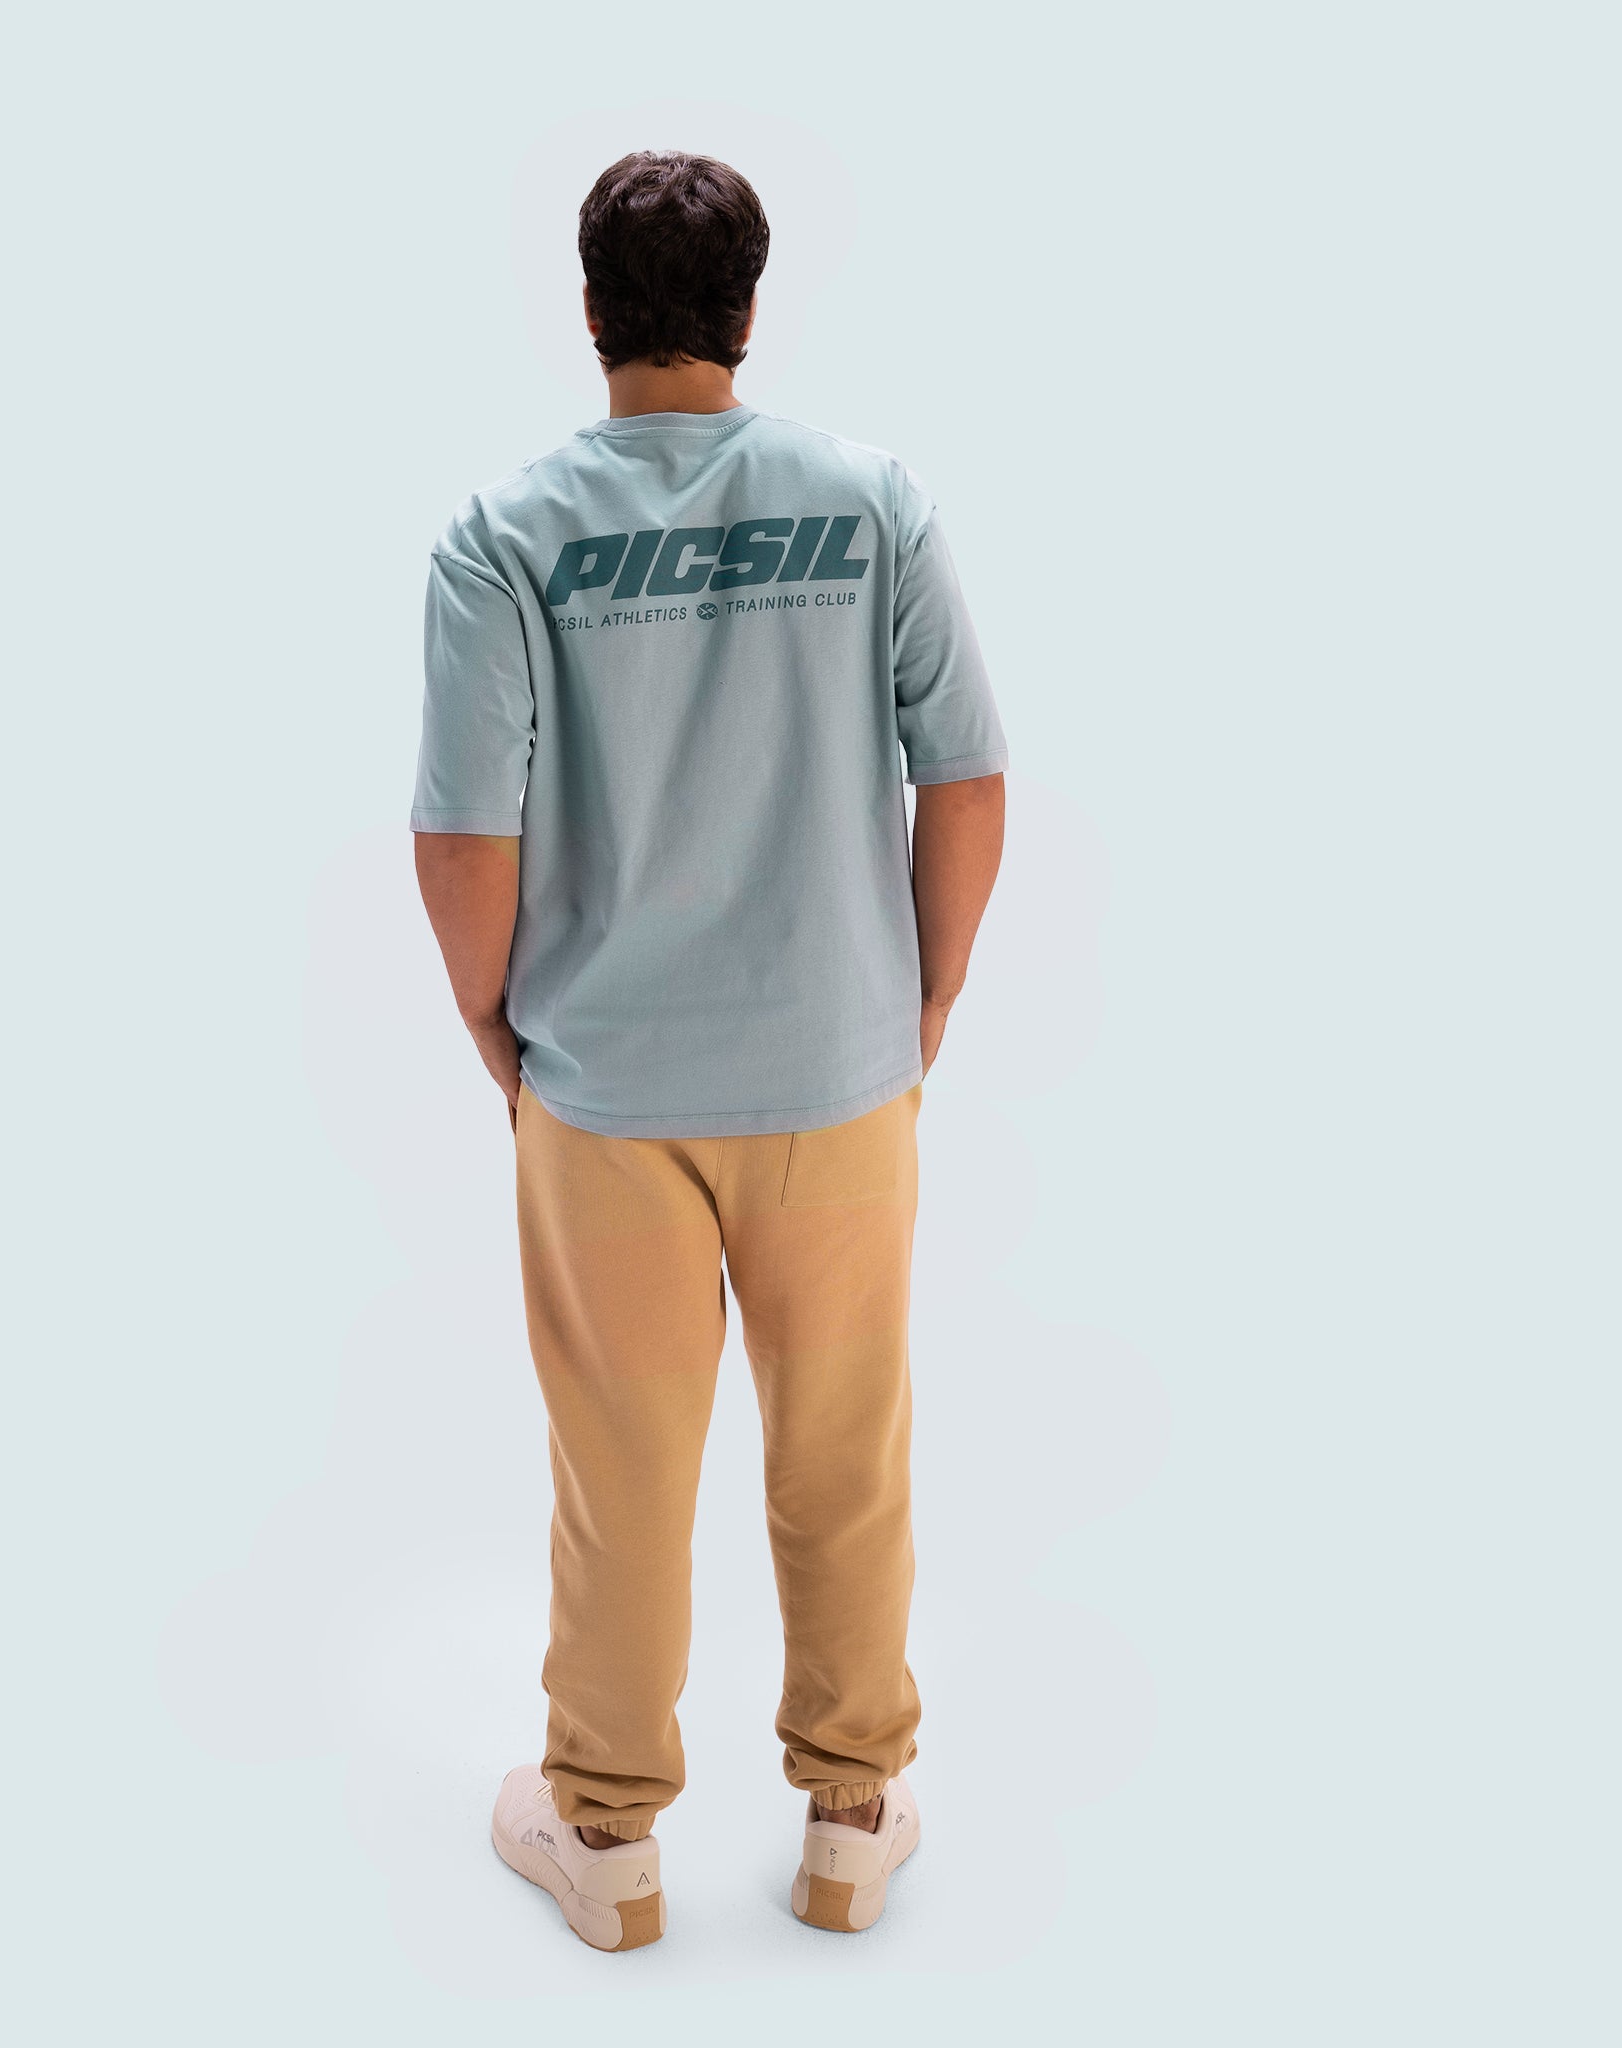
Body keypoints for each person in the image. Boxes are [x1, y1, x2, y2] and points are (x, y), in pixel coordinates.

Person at [410, 150, 1006, 1951]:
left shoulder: (505, 536)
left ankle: (604, 1837)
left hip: (608, 1092)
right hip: (839, 1076)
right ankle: (850, 1818)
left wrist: (495, 1024)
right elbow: (967, 775)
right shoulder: (873, 504)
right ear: (748, 309)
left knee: (620, 1472)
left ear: (593, 310)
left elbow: (464, 835)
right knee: (846, 1455)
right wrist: (926, 1001)